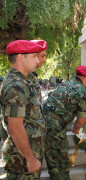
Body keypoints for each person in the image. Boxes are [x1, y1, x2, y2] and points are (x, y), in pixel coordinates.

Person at [0, 40, 45, 179]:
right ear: (20, 57)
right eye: (33, 56)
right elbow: (15, 127)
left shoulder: (24, 80)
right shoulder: (16, 86)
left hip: (29, 151)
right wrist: (30, 159)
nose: (37, 60)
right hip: (21, 158)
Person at [42, 65, 86, 179]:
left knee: (53, 158)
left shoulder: (65, 84)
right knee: (59, 161)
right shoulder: (83, 91)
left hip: (43, 121)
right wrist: (76, 129)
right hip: (54, 128)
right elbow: (81, 119)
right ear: (85, 78)